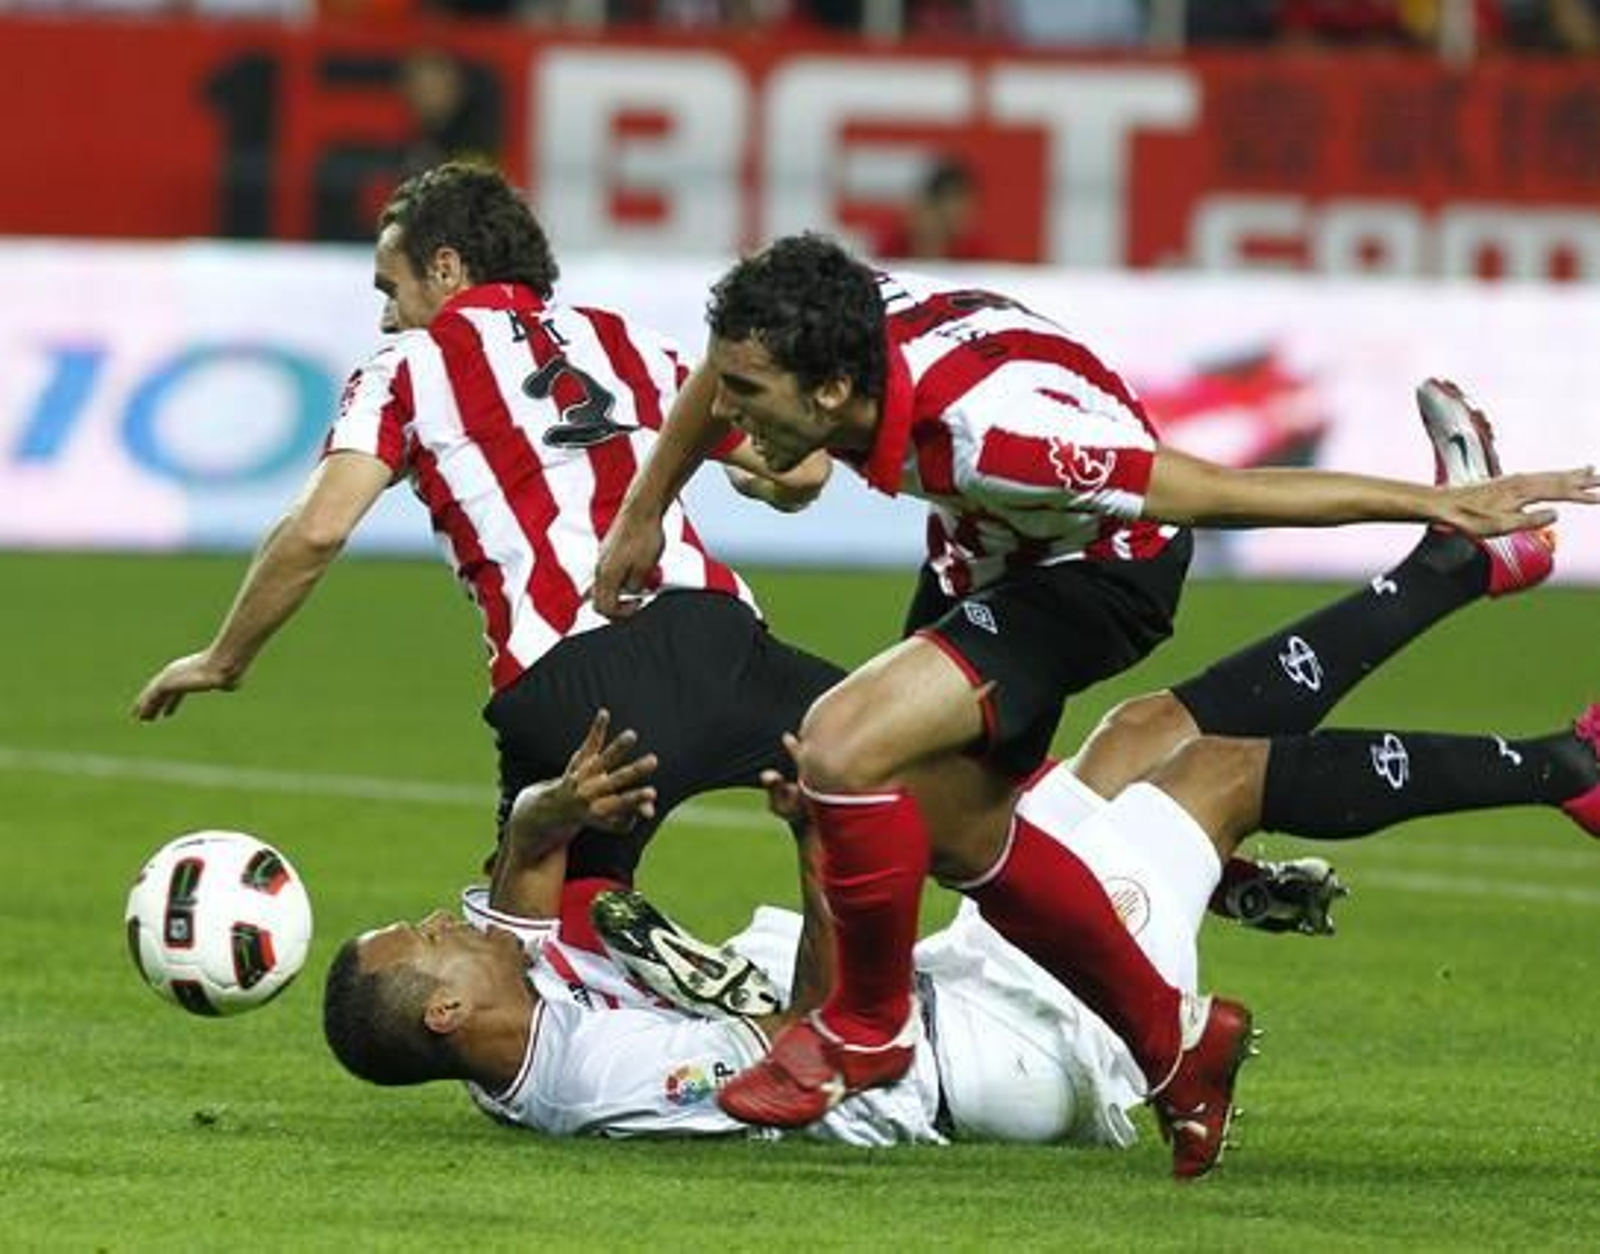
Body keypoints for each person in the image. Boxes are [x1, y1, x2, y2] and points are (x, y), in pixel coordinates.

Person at [591, 232, 1599, 1153]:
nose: (723, 408)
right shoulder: (836, 332)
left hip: (1098, 577)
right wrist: (645, 512)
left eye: (748, 392)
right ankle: (1177, 1054)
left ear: (828, 391)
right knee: (954, 831)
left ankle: (867, 1024)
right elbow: (717, 382)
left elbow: (1217, 488)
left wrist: (1430, 502)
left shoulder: (998, 435)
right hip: (984, 560)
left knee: (844, 747)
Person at [321, 535, 1600, 1171]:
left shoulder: (518, 1000)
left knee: (1144, 729)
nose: (456, 918)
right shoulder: (594, 1070)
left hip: (950, 980)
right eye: (435, 936)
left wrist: (546, 811)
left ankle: (1453, 566)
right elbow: (808, 1047)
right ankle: (1570, 768)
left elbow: (522, 898)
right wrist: (826, 858)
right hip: (1007, 1061)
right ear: (444, 1007)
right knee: (1212, 776)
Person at [131, 161, 841, 905]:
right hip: (719, 638)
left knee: (529, 935)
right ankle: (850, 1000)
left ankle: (594, 930)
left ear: (445, 268)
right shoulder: (623, 341)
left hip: (571, 683)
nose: (385, 317)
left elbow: (317, 530)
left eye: (389, 288)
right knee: (870, 766)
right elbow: (802, 472)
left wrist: (224, 657)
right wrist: (755, 477)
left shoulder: (404, 367)